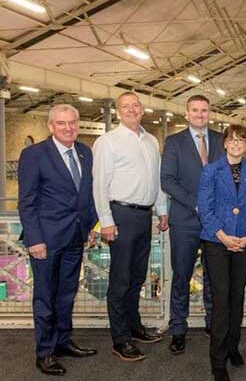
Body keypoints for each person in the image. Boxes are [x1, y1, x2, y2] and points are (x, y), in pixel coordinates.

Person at [18, 104, 99, 376]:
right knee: (45, 297)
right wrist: (34, 240)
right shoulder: (34, 154)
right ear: (51, 126)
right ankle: (45, 352)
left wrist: (91, 226)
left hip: (76, 236)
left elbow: (87, 194)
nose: (68, 128)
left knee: (67, 294)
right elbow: (27, 202)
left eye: (72, 122)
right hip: (46, 240)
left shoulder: (85, 152)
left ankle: (63, 342)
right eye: (61, 123)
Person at [93, 92, 169, 361]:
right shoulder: (107, 142)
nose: (132, 110)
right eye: (126, 106)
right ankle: (120, 338)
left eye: (136, 105)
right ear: (117, 111)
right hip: (121, 214)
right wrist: (106, 220)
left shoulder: (151, 140)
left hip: (144, 215)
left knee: (137, 277)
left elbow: (156, 180)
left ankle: (134, 326)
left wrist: (161, 210)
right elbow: (99, 184)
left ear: (142, 109)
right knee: (120, 280)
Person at [198, 124, 246, 381]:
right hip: (216, 243)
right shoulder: (211, 171)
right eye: (232, 140)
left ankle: (233, 346)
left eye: (241, 140)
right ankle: (217, 361)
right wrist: (223, 236)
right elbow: (205, 209)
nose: (236, 144)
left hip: (242, 244)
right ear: (224, 143)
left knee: (237, 297)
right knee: (221, 300)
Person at [161, 94, 223, 354]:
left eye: (204, 110)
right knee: (181, 276)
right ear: (186, 114)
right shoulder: (174, 142)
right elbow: (167, 180)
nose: (200, 114)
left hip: (215, 223)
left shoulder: (221, 140)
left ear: (210, 113)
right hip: (185, 221)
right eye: (195, 110)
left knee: (214, 276)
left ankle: (213, 323)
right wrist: (196, 204)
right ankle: (178, 328)